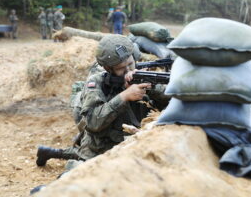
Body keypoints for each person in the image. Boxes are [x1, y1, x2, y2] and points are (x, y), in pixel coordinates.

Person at [36, 35, 169, 166]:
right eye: (121, 68)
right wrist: (124, 96)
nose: (128, 70)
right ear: (108, 69)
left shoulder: (141, 74)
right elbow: (92, 123)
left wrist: (151, 87)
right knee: (85, 169)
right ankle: (62, 152)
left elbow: (170, 101)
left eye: (130, 64)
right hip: (102, 142)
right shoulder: (96, 82)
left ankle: (52, 152)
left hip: (130, 139)